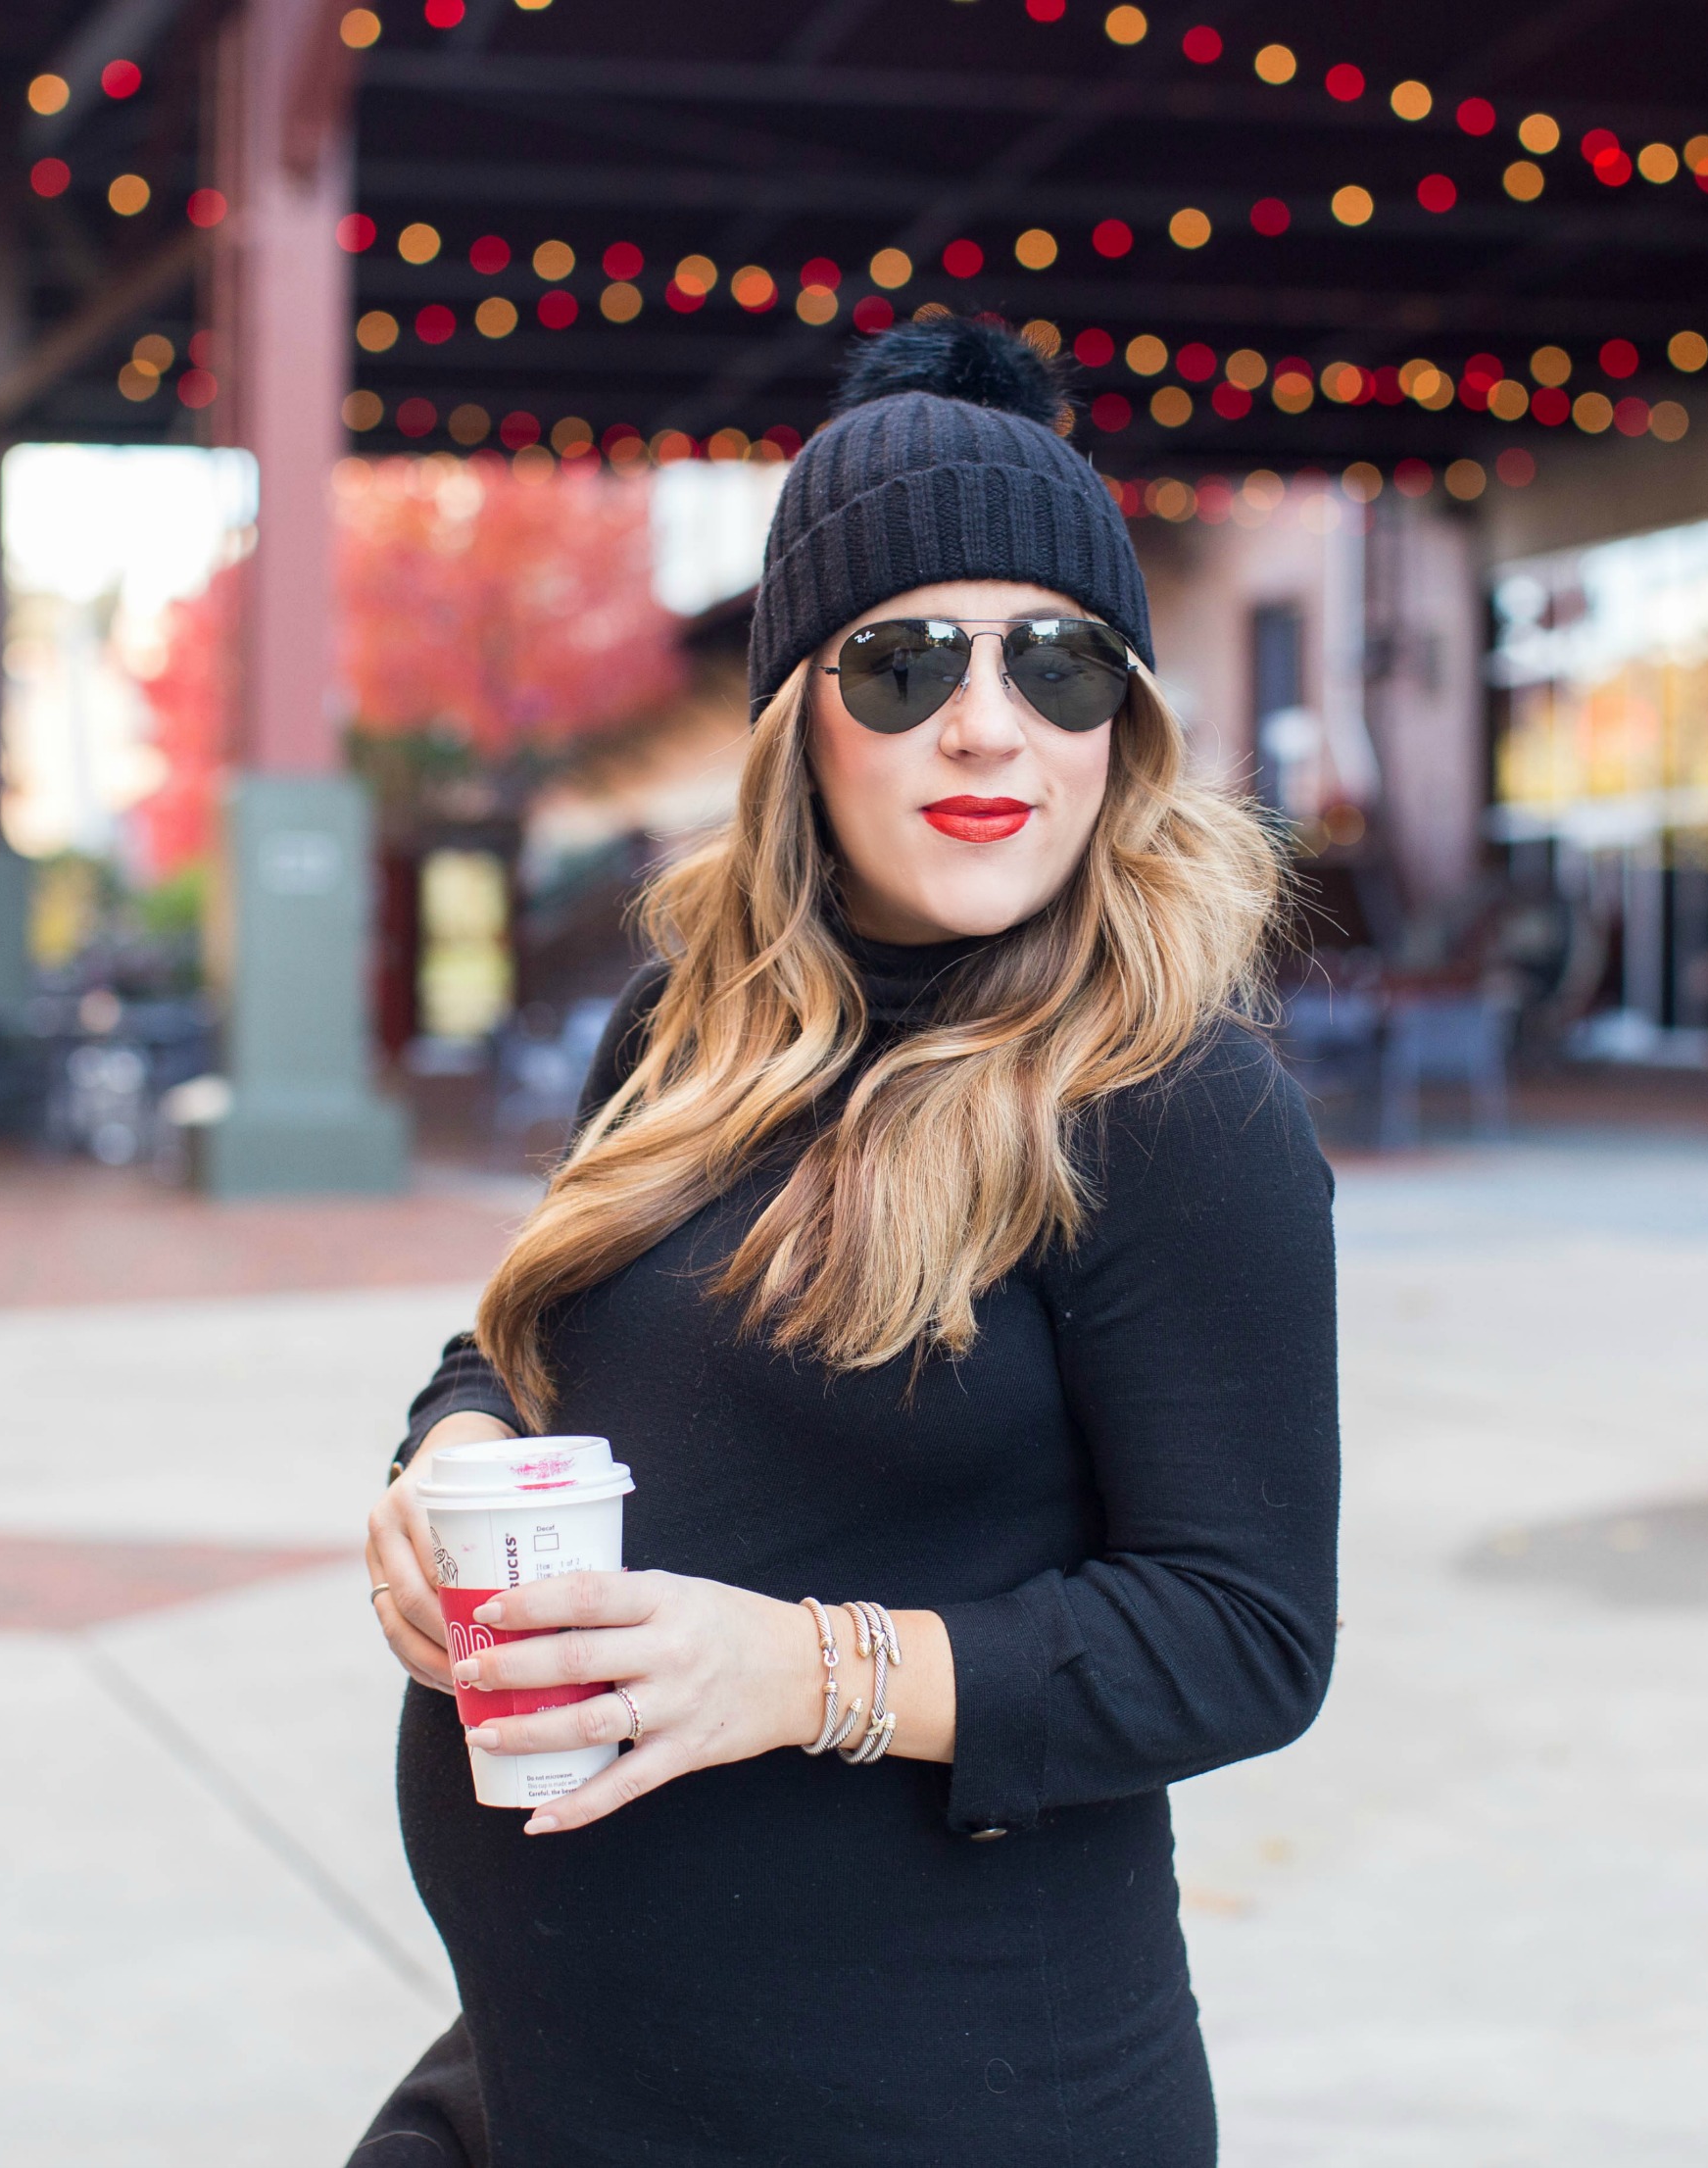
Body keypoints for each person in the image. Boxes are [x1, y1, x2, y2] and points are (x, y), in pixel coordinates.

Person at [355, 316, 1342, 2168]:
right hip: (561, 2078)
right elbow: (532, 1336)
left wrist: (796, 1675)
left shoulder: (1173, 1102)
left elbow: (1243, 1636)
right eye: (902, 664)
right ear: (796, 717)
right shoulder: (691, 1022)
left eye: (1057, 661)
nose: (989, 721)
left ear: (1121, 719)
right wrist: (452, 1455)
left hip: (933, 2105)